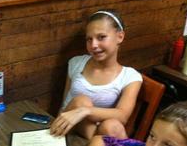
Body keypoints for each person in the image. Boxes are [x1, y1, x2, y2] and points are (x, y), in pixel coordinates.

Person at [50, 10, 142, 139]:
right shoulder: (76, 63)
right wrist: (79, 107)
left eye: (101, 37)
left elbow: (123, 116)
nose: (93, 45)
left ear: (120, 37)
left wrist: (84, 111)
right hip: (66, 128)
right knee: (80, 101)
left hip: (97, 131)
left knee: (112, 126)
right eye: (89, 39)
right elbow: (65, 104)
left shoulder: (130, 77)